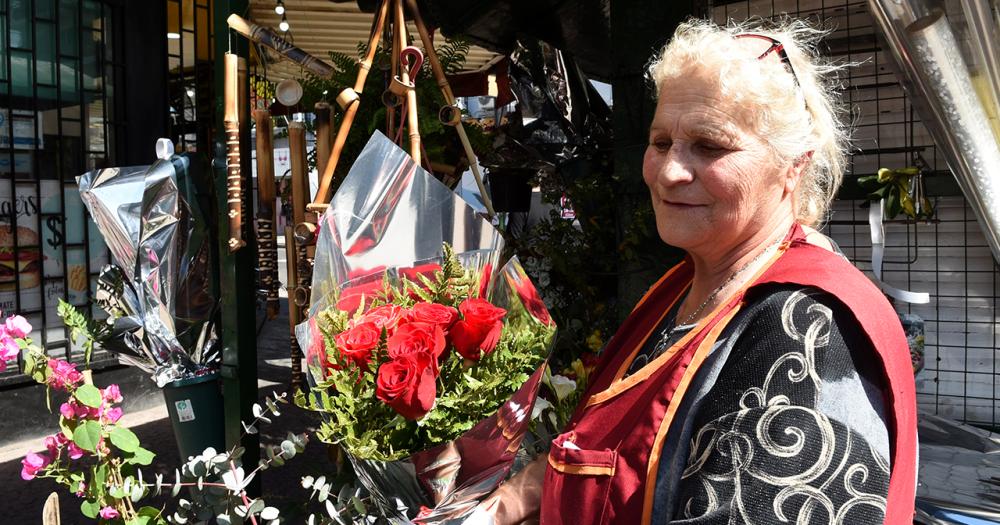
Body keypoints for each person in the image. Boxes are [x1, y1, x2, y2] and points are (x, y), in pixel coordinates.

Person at [480, 18, 917, 525]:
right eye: (661, 141)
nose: (668, 171)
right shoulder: (680, 288)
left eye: (710, 146)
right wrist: (502, 507)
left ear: (793, 165)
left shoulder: (804, 330)